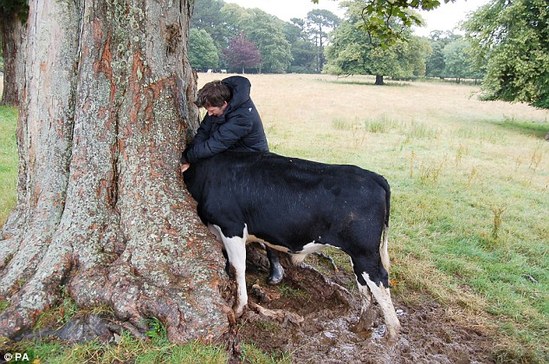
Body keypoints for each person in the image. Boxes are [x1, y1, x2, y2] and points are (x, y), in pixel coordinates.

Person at [181, 76, 284, 285]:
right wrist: (189, 153)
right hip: (230, 158)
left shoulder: (242, 117)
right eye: (207, 111)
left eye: (212, 111)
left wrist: (188, 158)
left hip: (252, 162)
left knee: (259, 213)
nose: (209, 115)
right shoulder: (218, 102)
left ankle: (275, 261)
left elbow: (214, 144)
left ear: (225, 105)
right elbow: (204, 132)